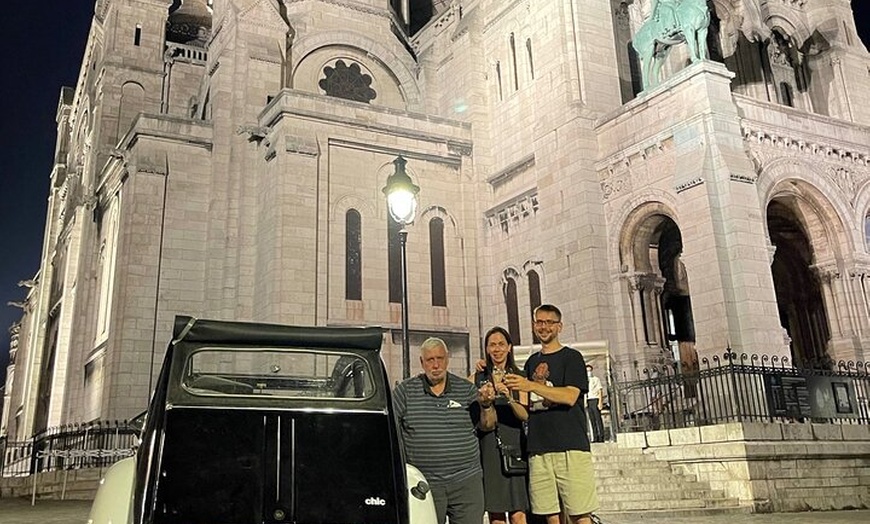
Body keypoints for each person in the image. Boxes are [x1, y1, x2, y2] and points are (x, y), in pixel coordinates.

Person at [503, 305, 599, 524]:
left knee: (580, 515)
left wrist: (531, 385)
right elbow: (526, 412)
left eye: (549, 322)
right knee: (550, 516)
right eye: (539, 322)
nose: (543, 327)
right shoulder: (530, 362)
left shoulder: (572, 357)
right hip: (539, 449)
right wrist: (508, 396)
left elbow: (569, 396)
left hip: (570, 447)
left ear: (559, 326)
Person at [393, 337, 497, 524]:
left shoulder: (466, 389)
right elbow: (390, 428)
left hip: (466, 481)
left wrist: (487, 405)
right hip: (423, 483)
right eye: (430, 360)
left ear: (447, 359)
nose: (436, 365)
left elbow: (488, 425)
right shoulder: (405, 392)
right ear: (422, 362)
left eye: (440, 358)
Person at [471, 327, 530, 524]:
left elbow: (524, 414)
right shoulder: (479, 377)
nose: (497, 349)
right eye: (492, 345)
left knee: (518, 510)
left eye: (501, 344)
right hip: (488, 444)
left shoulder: (518, 376)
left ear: (509, 347)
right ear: (487, 349)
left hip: (514, 442)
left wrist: (508, 397)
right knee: (496, 511)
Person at [585, 364, 605, 443]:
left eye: (589, 370)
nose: (588, 372)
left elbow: (600, 390)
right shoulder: (585, 380)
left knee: (598, 419)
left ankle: (601, 436)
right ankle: (595, 437)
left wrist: (600, 402)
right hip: (589, 400)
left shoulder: (596, 379)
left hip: (595, 399)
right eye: (587, 371)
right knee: (592, 420)